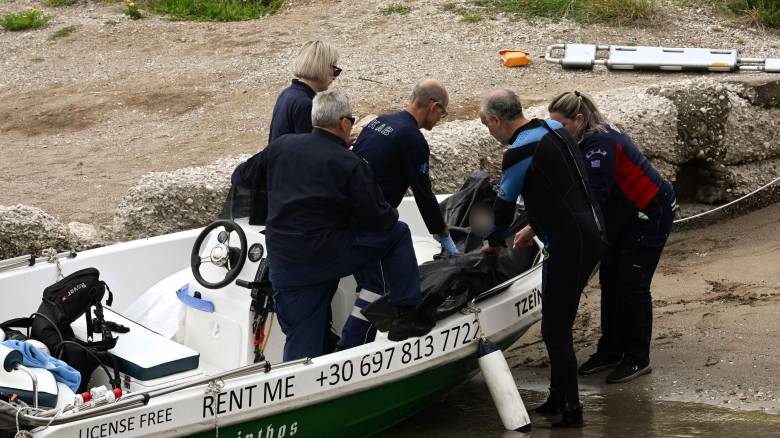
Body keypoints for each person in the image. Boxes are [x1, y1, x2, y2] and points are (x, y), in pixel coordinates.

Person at [232, 90, 427, 361]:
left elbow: (241, 176)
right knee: (399, 232)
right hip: (323, 258)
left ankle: (300, 391)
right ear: (344, 124)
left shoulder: (282, 147)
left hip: (283, 261)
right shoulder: (348, 163)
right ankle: (406, 313)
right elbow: (381, 219)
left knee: (302, 345)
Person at [479, 88, 604, 427]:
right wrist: (534, 226)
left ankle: (572, 412)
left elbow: (504, 206)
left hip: (571, 242)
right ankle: (557, 397)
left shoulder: (520, 149)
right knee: (554, 317)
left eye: (485, 125)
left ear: (495, 120)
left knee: (555, 329)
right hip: (588, 230)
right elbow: (560, 186)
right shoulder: (553, 129)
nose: (489, 133)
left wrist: (493, 241)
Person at [547, 91, 676, 384]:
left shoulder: (600, 145)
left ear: (578, 120)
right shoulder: (587, 137)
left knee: (632, 286)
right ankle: (611, 350)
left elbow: (595, 196)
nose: (556, 133)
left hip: (649, 216)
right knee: (610, 281)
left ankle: (637, 358)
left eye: (560, 126)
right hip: (624, 217)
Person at [341, 79, 458, 349]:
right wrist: (442, 234)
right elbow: (423, 193)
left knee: (370, 284)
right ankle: (351, 345)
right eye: (443, 113)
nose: (441, 119)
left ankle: (361, 341)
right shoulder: (411, 138)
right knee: (377, 287)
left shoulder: (378, 123)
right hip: (369, 221)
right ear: (433, 106)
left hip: (347, 213)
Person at [268, 40, 341, 142]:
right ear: (322, 67)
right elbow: (308, 150)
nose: (334, 77)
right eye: (335, 70)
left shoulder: (288, 93)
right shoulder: (305, 104)